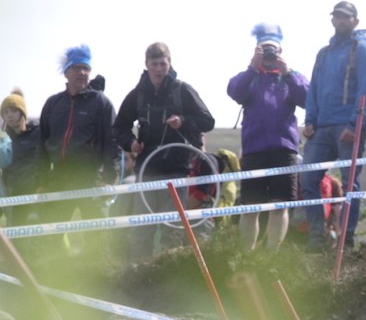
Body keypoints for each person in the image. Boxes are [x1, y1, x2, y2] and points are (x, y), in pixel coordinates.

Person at [113, 42, 215, 260]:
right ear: (146, 64)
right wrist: (131, 143)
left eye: (163, 64)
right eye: (155, 64)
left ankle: (169, 275)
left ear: (170, 63)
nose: (159, 69)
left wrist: (183, 121)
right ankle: (138, 273)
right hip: (146, 171)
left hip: (176, 171)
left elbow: (207, 121)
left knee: (172, 231)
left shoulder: (182, 90)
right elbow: (119, 126)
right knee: (141, 232)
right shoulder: (137, 95)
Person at [302, 1, 366, 252]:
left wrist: (355, 124)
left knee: (349, 184)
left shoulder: (362, 49)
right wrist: (309, 120)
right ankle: (316, 238)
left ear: (355, 21)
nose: (341, 21)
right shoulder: (323, 53)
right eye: (337, 16)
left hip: (347, 127)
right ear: (332, 20)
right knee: (308, 180)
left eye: (346, 17)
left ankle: (347, 240)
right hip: (321, 128)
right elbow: (313, 89)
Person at [228, 23, 309, 250]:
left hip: (284, 149)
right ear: (256, 50)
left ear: (281, 51)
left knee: (279, 206)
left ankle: (272, 254)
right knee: (250, 207)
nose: (269, 54)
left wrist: (288, 73)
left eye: (273, 49)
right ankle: (246, 253)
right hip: (254, 149)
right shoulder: (249, 76)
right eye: (264, 49)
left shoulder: (292, 76)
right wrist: (252, 67)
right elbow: (235, 92)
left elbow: (307, 98)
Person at [39, 45, 118, 225]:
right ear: (66, 72)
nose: (82, 72)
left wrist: (108, 180)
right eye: (77, 68)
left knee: (96, 234)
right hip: (58, 179)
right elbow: (41, 144)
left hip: (91, 179)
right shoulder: (53, 103)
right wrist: (42, 181)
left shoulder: (101, 103)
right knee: (52, 233)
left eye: (86, 68)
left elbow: (112, 143)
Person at [1, 90, 44, 226]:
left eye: (14, 111)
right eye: (5, 112)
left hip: (36, 193)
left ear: (22, 112)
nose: (9, 115)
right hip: (13, 194)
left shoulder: (39, 133)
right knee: (14, 232)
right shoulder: (3, 139)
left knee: (40, 232)